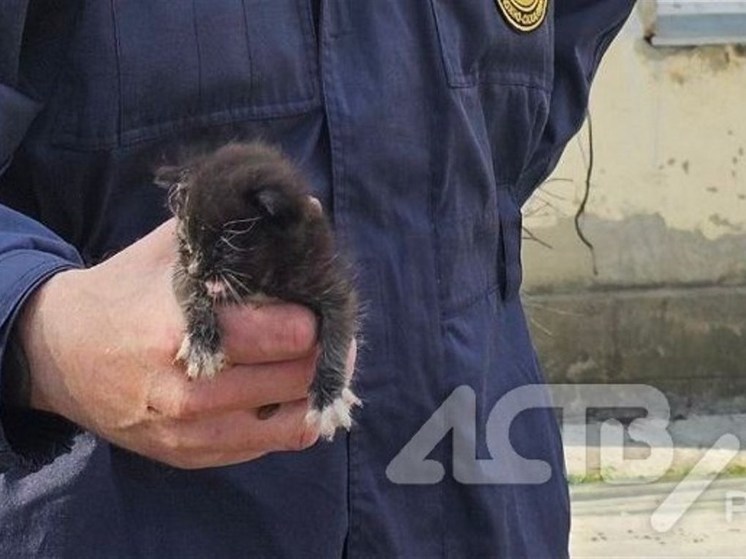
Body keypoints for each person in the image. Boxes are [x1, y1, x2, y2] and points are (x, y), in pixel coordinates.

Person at [0, 1, 635, 557]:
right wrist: (41, 326)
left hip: (484, 498)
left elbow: (561, 44)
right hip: (105, 512)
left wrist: (482, 180)